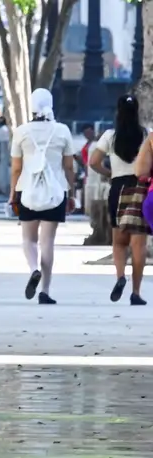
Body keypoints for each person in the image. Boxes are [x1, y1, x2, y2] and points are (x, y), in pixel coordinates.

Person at [9, 88, 75, 305]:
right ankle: (45, 291)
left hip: (27, 191)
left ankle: (33, 269)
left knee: (28, 239)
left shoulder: (21, 132)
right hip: (55, 193)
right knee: (48, 242)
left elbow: (16, 169)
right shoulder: (63, 131)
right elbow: (68, 167)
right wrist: (71, 193)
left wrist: (13, 195)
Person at [99, 95, 150, 305]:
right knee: (139, 245)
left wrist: (107, 172)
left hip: (118, 187)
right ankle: (136, 293)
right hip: (140, 188)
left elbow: (93, 161)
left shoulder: (110, 136)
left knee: (119, 242)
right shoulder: (146, 134)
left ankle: (120, 277)